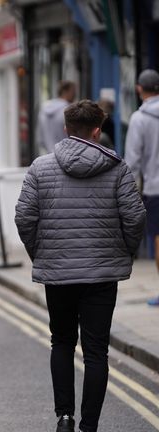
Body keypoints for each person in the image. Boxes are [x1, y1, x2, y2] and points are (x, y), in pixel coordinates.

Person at [15, 100, 146, 432]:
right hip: (102, 274)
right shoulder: (117, 169)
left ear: (66, 129)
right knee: (96, 351)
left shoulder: (40, 167)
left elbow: (24, 217)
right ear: (98, 131)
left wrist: (41, 253)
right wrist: (122, 254)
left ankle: (64, 417)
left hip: (57, 272)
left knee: (61, 341)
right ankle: (89, 426)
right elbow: (135, 218)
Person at [124, 69, 159, 306]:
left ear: (139, 89)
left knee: (158, 239)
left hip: (155, 188)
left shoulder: (139, 118)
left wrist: (127, 190)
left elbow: (133, 160)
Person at [37, 80, 76, 154]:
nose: (75, 94)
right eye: (73, 91)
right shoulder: (69, 111)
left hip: (48, 155)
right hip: (67, 156)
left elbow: (40, 140)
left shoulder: (44, 109)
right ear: (65, 91)